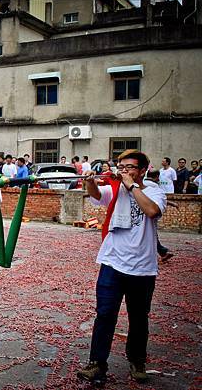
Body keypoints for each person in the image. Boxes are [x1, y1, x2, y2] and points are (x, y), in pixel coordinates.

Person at [78, 150, 166, 385]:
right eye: (121, 166)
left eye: (130, 167)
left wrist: (131, 186)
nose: (124, 170)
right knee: (105, 315)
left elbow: (152, 211)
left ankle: (137, 361)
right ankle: (97, 364)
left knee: (139, 318)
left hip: (142, 268)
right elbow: (98, 195)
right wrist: (90, 183)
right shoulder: (116, 189)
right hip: (112, 262)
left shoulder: (154, 191)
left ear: (143, 170)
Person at [145, 169, 176, 263]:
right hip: (148, 214)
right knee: (150, 234)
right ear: (157, 177)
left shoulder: (141, 183)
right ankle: (162, 252)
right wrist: (171, 203)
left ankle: (163, 252)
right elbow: (159, 200)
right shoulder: (155, 187)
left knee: (150, 235)